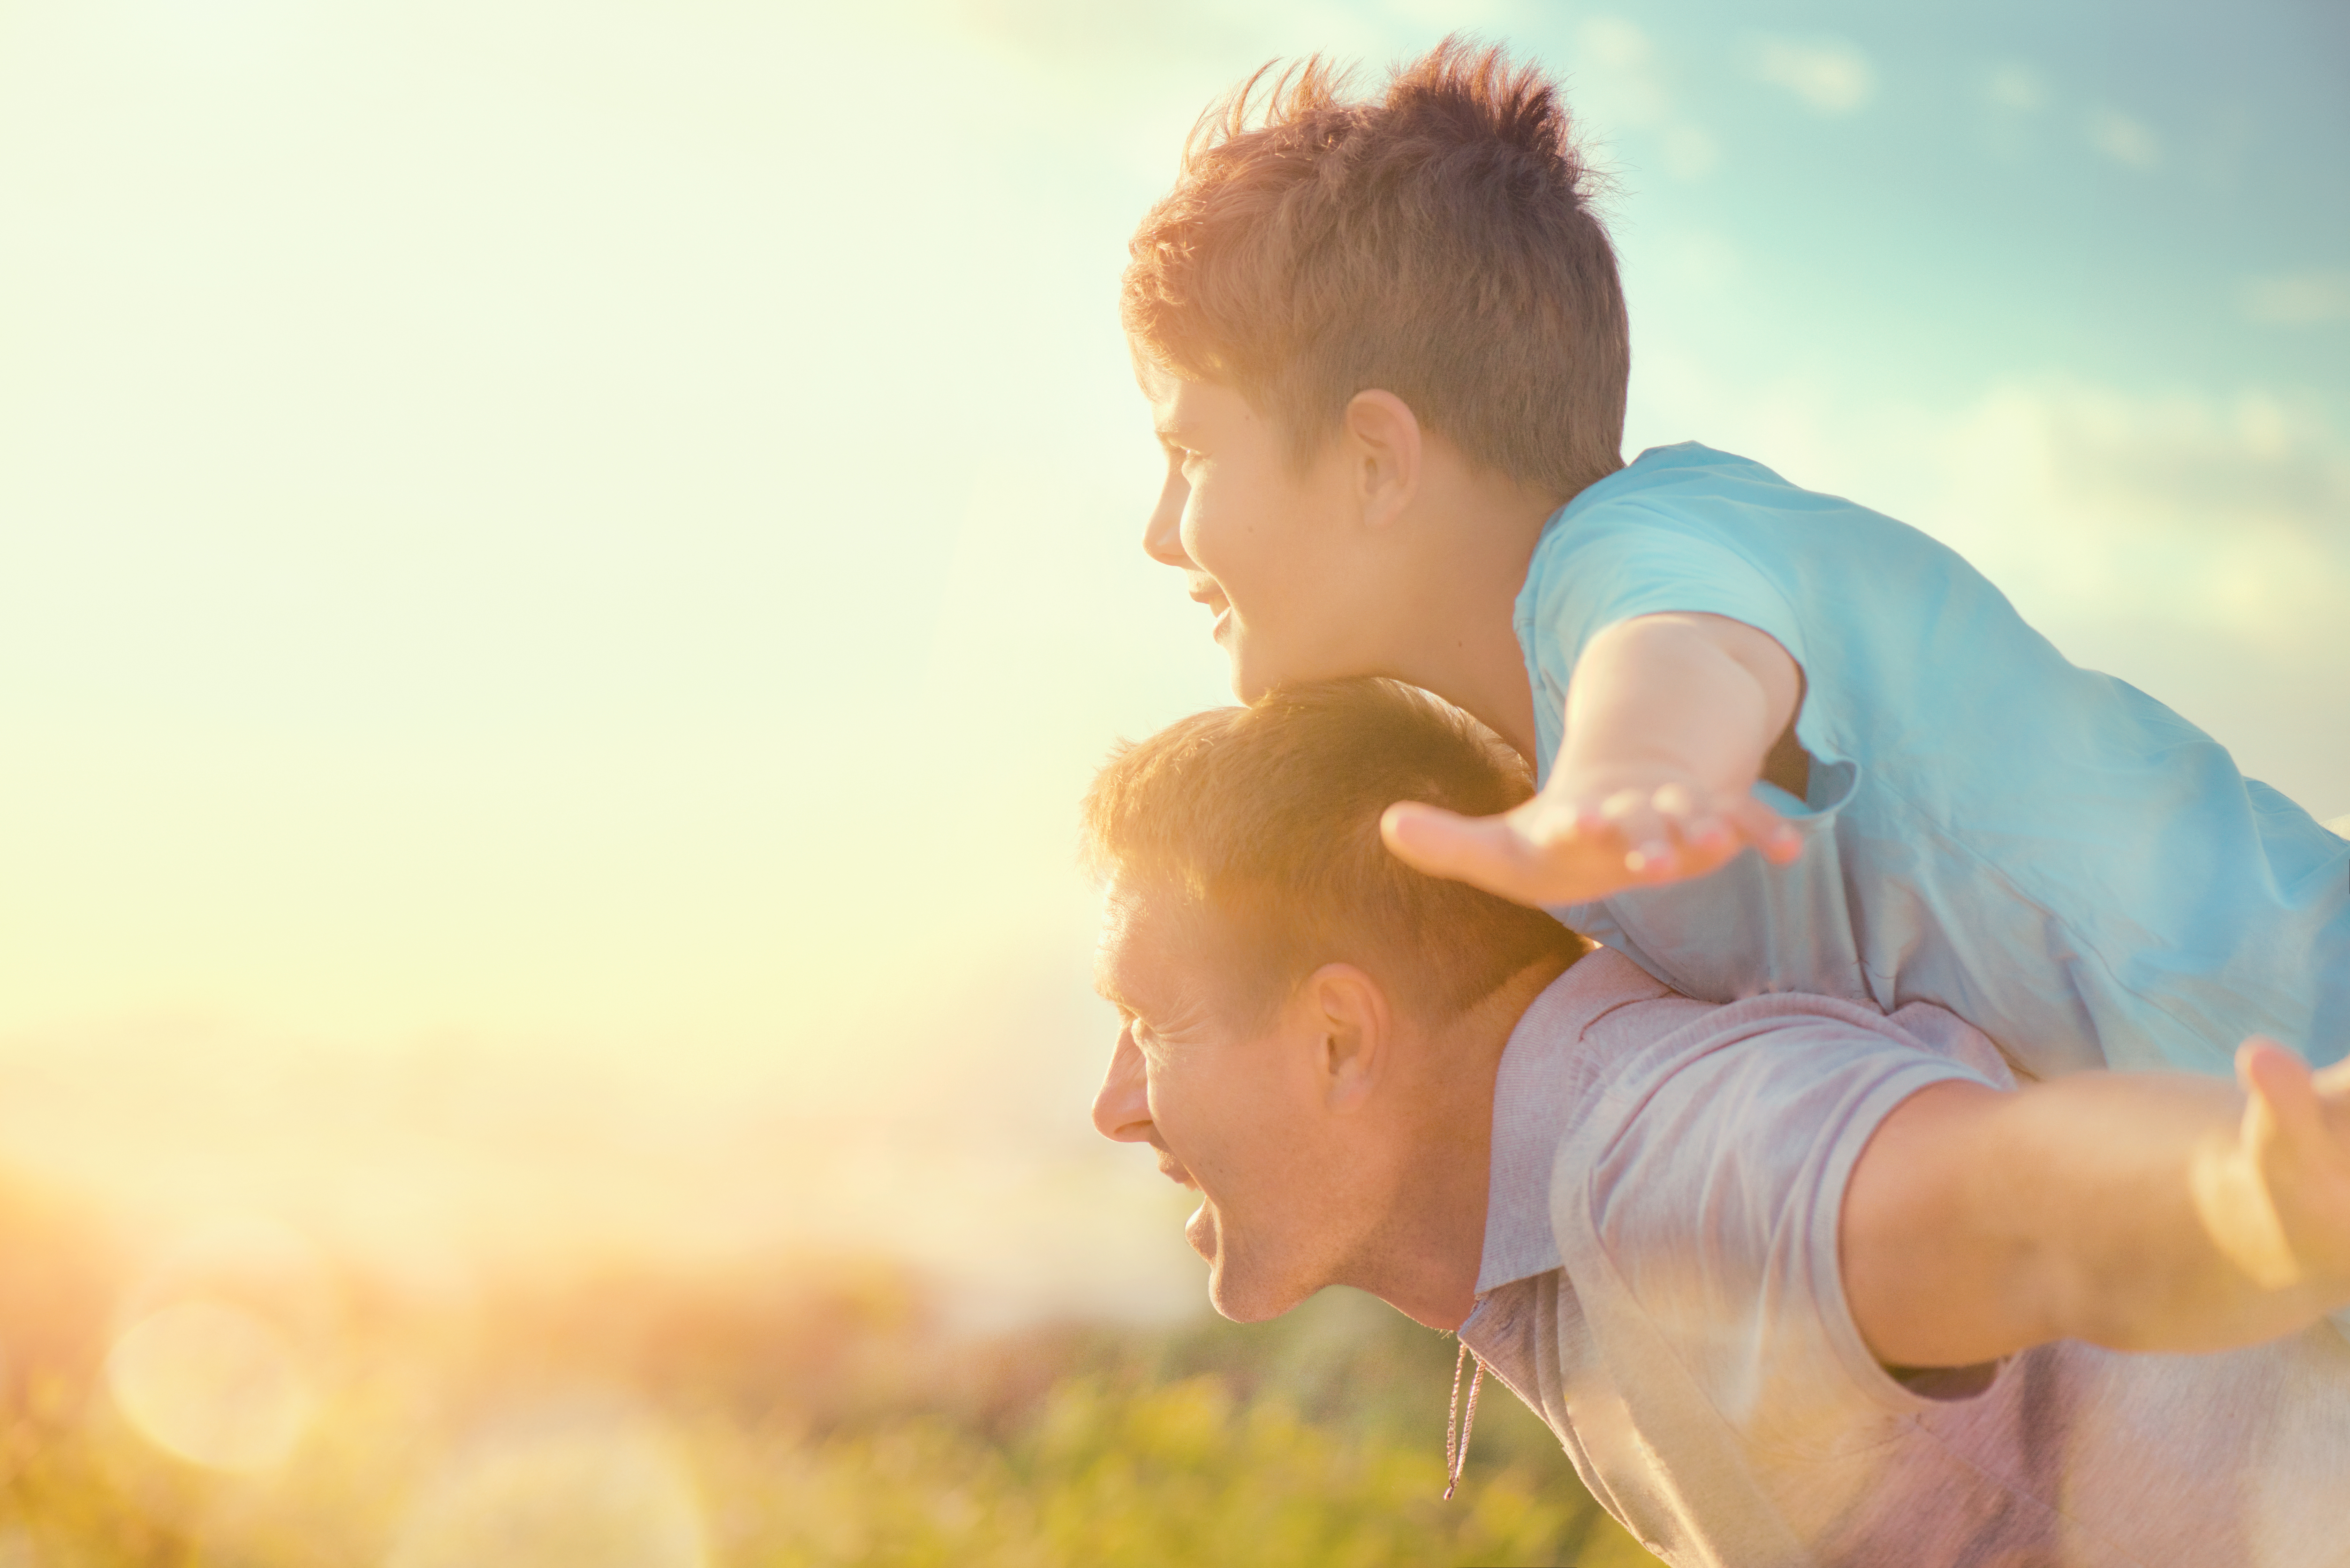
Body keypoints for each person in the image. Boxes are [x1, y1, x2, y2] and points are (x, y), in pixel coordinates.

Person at [1119, 38, 2349, 1084]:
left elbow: (1686, 649)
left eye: (1189, 453)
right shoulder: (1558, 728)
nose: (1161, 529)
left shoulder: (1638, 553)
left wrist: (1634, 774)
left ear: (1377, 463)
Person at [1082, 679, 2350, 1567]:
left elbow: (2009, 1211)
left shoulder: (1656, 1154)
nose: (1115, 1105)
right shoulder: (1576, 1217)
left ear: (1338, 1040)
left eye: (1149, 1022)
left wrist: (2248, 1194)